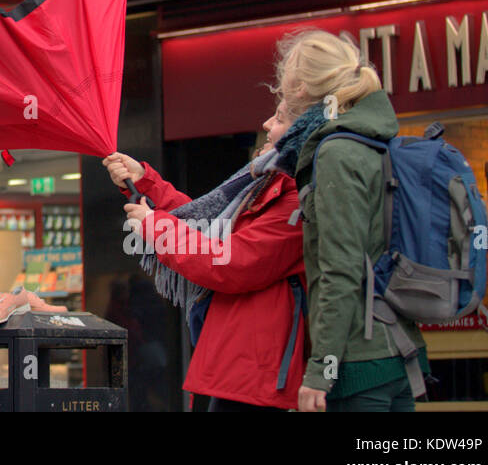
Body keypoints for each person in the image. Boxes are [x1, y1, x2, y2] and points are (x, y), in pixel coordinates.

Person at [102, 94, 324, 411]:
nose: (266, 124)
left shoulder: (293, 198)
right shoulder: (266, 186)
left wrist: (156, 226)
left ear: (299, 133)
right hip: (236, 365)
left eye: (279, 118)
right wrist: (147, 183)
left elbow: (230, 261)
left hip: (252, 373)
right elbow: (207, 228)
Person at [278, 29, 428, 413]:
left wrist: (320, 370)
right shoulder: (376, 140)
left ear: (300, 88)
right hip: (398, 351)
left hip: (360, 364)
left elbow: (341, 270)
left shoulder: (337, 152)